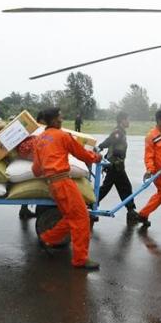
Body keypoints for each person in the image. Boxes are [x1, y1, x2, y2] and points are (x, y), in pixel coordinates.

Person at [32, 107, 103, 270]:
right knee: (82, 218)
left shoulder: (39, 139)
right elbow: (81, 154)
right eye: (60, 117)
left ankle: (47, 238)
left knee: (71, 216)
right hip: (63, 182)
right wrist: (96, 157)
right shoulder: (63, 135)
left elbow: (36, 170)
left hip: (52, 185)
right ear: (54, 120)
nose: (62, 119)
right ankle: (80, 259)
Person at [97, 112, 138, 220]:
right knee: (114, 187)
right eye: (127, 119)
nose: (129, 122)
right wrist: (100, 147)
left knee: (123, 187)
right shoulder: (118, 132)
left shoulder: (121, 132)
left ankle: (131, 210)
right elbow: (109, 140)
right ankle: (90, 204)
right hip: (114, 165)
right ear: (122, 120)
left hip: (117, 165)